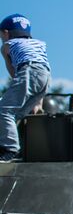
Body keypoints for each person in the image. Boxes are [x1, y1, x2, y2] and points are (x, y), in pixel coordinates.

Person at [0, 14, 50, 163]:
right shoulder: (38, 43)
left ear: (6, 33)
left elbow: (14, 72)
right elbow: (42, 67)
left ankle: (10, 149)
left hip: (28, 71)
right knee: (15, 114)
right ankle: (11, 145)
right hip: (45, 77)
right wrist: (38, 102)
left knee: (4, 110)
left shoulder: (7, 46)